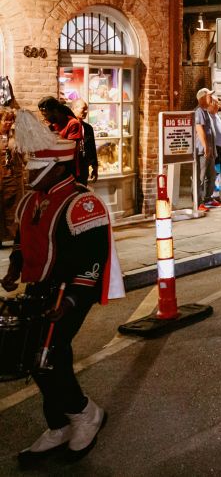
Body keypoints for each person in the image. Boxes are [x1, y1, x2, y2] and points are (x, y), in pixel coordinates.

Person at [1, 109, 123, 464]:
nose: (28, 174)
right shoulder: (31, 200)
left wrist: (71, 300)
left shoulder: (82, 203)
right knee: (35, 358)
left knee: (49, 357)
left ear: (56, 167)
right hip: (39, 289)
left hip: (69, 292)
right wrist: (14, 268)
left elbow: (92, 261)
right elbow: (24, 243)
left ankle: (85, 413)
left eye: (35, 168)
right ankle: (58, 424)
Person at [37, 96, 85, 183]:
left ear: (55, 111)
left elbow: (70, 149)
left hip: (69, 172)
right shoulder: (53, 125)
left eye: (45, 115)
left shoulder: (73, 124)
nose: (44, 118)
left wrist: (51, 134)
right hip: (54, 170)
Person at [0, 107, 25, 246]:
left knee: (15, 208)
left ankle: (16, 238)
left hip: (14, 177)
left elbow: (23, 154)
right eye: (5, 120)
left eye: (11, 120)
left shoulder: (16, 135)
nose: (9, 123)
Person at [193, 87, 219, 210]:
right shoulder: (199, 111)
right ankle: (198, 203)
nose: (211, 98)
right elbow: (200, 130)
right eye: (209, 96)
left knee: (211, 175)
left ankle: (208, 198)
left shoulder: (205, 111)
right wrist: (205, 147)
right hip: (202, 150)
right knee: (200, 177)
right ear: (202, 98)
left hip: (209, 149)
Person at [70, 100, 98, 185]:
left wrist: (95, 167)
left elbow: (92, 148)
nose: (86, 112)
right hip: (70, 168)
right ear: (74, 109)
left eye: (87, 109)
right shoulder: (68, 126)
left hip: (83, 168)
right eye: (83, 109)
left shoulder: (88, 128)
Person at [209, 99, 221, 202]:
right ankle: (214, 195)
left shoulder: (216, 116)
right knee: (216, 171)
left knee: (220, 171)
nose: (219, 105)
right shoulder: (210, 116)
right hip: (216, 147)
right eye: (216, 103)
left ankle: (217, 194)